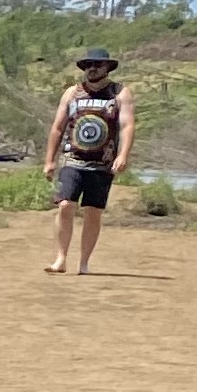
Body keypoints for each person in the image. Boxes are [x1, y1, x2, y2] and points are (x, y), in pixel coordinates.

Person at [43, 46, 132, 274]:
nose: (92, 69)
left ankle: (84, 263)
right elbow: (57, 127)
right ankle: (61, 259)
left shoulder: (119, 93)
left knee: (93, 212)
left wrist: (123, 155)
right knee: (64, 205)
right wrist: (49, 160)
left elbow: (126, 125)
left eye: (98, 64)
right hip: (71, 159)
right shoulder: (72, 93)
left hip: (102, 163)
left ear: (107, 67)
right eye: (88, 65)